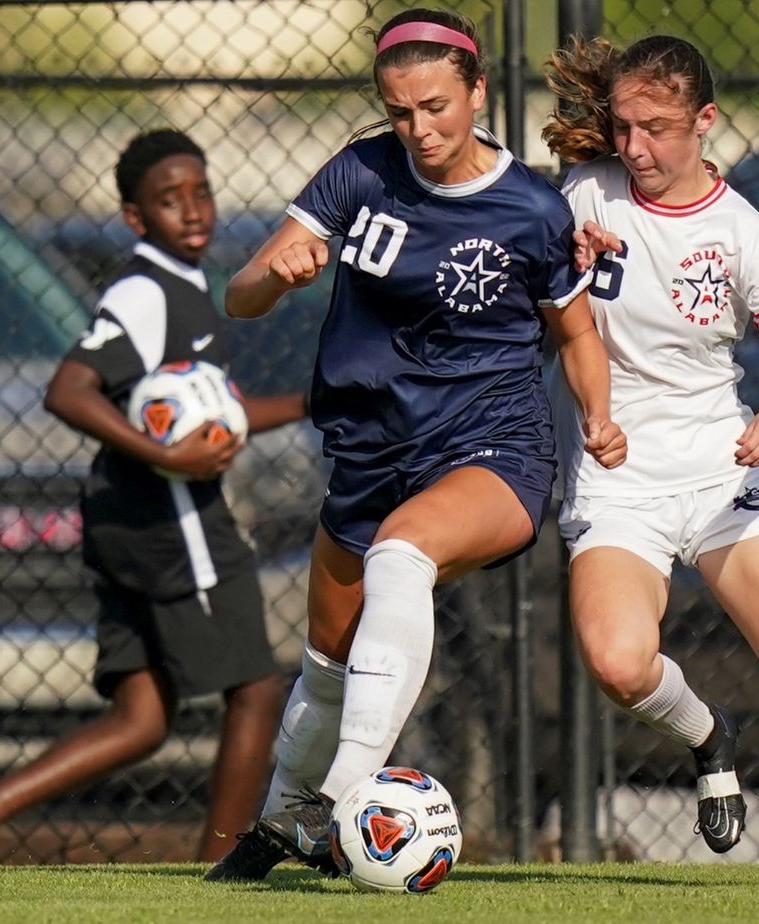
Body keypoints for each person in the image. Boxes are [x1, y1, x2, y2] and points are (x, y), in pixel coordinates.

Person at [204, 8, 625, 882]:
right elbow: (239, 296)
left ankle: (348, 796)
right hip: (368, 455)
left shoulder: (530, 209)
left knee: (402, 558)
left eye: (436, 106)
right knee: (326, 666)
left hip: (493, 451)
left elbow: (578, 334)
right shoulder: (359, 174)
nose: (419, 128)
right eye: (399, 111)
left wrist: (597, 414)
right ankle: (283, 825)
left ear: (475, 91)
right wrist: (269, 279)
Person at [0, 129, 308, 866]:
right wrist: (167, 454)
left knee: (143, 716)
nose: (192, 210)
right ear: (134, 217)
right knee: (256, 689)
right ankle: (224, 869)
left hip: (131, 516)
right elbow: (70, 389)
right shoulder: (143, 291)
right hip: (168, 518)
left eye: (201, 192)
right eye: (168, 199)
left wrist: (317, 400)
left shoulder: (188, 287)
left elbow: (222, 411)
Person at [540, 36, 759, 889]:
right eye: (621, 127)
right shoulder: (584, 194)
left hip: (725, 479)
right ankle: (707, 735)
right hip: (619, 482)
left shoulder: (744, 235)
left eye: (655, 128)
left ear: (705, 121)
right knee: (619, 663)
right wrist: (556, 254)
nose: (634, 148)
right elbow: (532, 285)